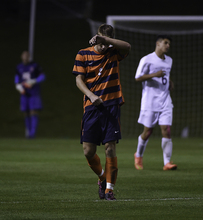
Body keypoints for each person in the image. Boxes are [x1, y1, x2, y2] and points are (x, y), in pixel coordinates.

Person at [72, 24, 131, 200]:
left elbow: (127, 46)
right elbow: (78, 80)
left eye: (106, 42)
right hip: (91, 107)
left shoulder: (114, 52)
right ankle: (102, 177)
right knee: (88, 151)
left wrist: (105, 41)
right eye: (100, 41)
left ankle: (109, 190)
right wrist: (91, 95)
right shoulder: (83, 53)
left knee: (110, 147)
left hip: (111, 105)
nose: (103, 47)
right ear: (95, 36)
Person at [134, 35, 177, 171]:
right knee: (147, 132)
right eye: (165, 43)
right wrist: (154, 75)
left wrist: (169, 82)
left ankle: (167, 162)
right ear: (158, 44)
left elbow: (165, 74)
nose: (167, 46)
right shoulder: (147, 59)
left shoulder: (169, 60)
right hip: (150, 101)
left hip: (165, 100)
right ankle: (138, 155)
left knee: (167, 130)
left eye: (169, 43)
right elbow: (138, 77)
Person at [15, 51, 46, 138]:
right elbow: (17, 78)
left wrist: (34, 81)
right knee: (26, 112)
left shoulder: (35, 66)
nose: (25, 57)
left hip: (34, 93)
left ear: (29, 57)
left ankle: (33, 133)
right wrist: (18, 86)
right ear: (21, 57)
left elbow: (42, 76)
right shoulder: (19, 67)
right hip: (24, 93)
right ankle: (28, 132)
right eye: (24, 56)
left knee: (33, 111)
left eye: (27, 56)